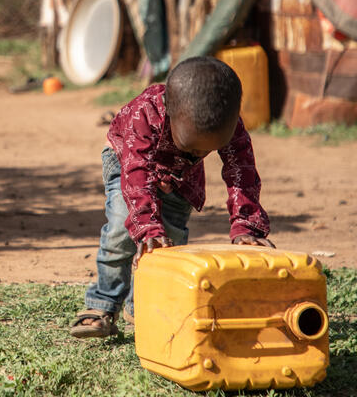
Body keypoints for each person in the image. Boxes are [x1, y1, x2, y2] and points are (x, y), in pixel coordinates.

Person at [70, 56, 273, 338]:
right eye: (193, 149)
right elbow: (137, 173)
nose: (200, 155)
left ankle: (141, 306)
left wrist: (246, 227)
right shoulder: (145, 112)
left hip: (180, 174)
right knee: (121, 230)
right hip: (128, 161)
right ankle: (103, 303)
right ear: (169, 111)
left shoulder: (229, 125)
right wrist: (147, 228)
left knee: (171, 242)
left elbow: (243, 173)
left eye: (207, 151)